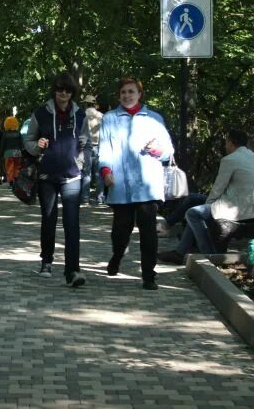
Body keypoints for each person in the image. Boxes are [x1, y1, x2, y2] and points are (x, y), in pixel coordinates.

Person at [158, 129, 254, 264]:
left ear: (231, 143)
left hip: (236, 209)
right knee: (195, 203)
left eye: (226, 143)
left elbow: (218, 188)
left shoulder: (230, 159)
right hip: (253, 208)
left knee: (193, 213)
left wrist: (208, 206)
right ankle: (180, 252)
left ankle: (210, 254)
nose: (225, 146)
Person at [99, 77, 174, 290]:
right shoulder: (110, 119)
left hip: (147, 186)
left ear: (139, 94)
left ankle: (149, 275)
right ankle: (117, 256)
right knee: (120, 231)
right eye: (123, 92)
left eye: (131, 91)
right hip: (120, 185)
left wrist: (156, 150)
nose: (127, 95)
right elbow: (104, 150)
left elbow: (169, 152)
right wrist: (105, 171)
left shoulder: (154, 119)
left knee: (148, 232)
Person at [24, 72, 89, 287]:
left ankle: (73, 270)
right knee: (48, 219)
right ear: (54, 90)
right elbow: (29, 140)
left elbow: (87, 145)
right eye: (60, 89)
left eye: (68, 90)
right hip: (47, 175)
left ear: (72, 92)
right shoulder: (41, 113)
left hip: (72, 176)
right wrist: (37, 146)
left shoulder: (80, 115)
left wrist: (81, 160)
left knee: (72, 223)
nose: (64, 94)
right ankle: (46, 261)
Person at [81, 95, 104, 204]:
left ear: (85, 103)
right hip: (99, 146)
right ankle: (99, 198)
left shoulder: (82, 115)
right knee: (99, 173)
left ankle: (85, 198)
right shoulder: (101, 116)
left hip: (86, 147)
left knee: (86, 173)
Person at [0, 116, 23, 184]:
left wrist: (1, 154)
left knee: (9, 167)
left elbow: (2, 145)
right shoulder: (18, 133)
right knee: (17, 166)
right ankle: (16, 179)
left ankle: (11, 180)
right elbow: (21, 144)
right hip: (17, 152)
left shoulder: (5, 134)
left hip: (8, 153)